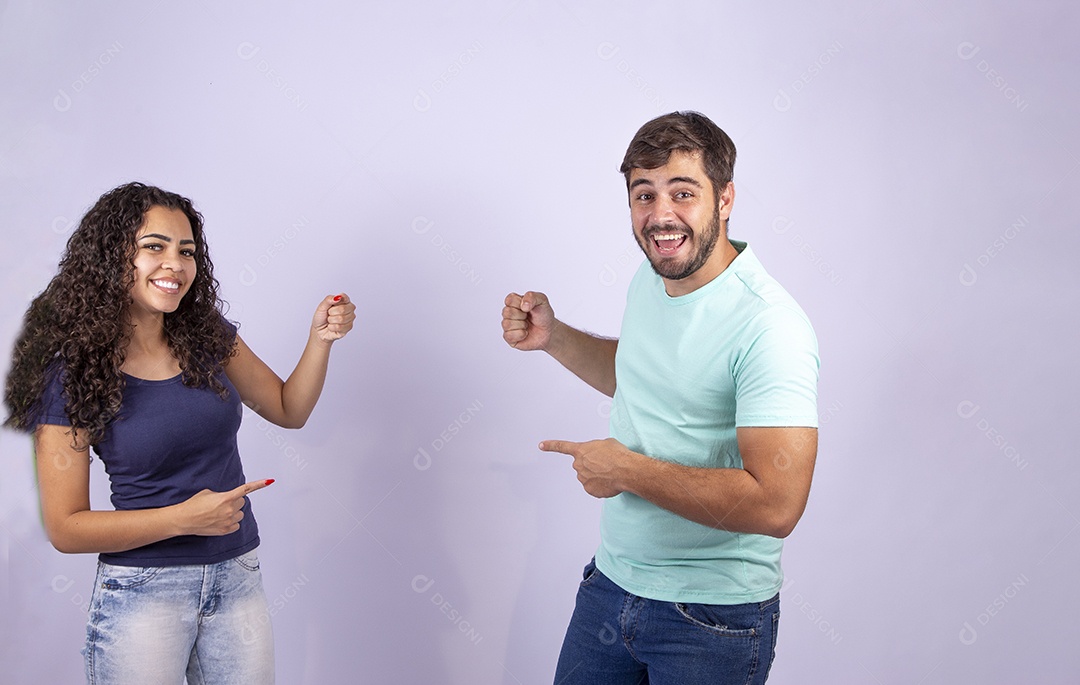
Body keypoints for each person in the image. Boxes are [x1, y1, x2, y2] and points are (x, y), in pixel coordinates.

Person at [502, 111, 819, 684]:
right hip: (611, 587)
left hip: (712, 618)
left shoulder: (771, 328)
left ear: (725, 199)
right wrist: (555, 338)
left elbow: (777, 505)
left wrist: (625, 469)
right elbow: (642, 375)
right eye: (643, 194)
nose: (660, 215)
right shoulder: (653, 278)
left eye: (682, 192)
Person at [3, 182, 355, 684]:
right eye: (154, 247)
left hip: (237, 579)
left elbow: (286, 409)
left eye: (186, 251)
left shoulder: (206, 335)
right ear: (111, 256)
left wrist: (321, 339)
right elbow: (65, 527)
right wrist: (182, 519)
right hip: (144, 593)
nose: (175, 264)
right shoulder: (72, 376)